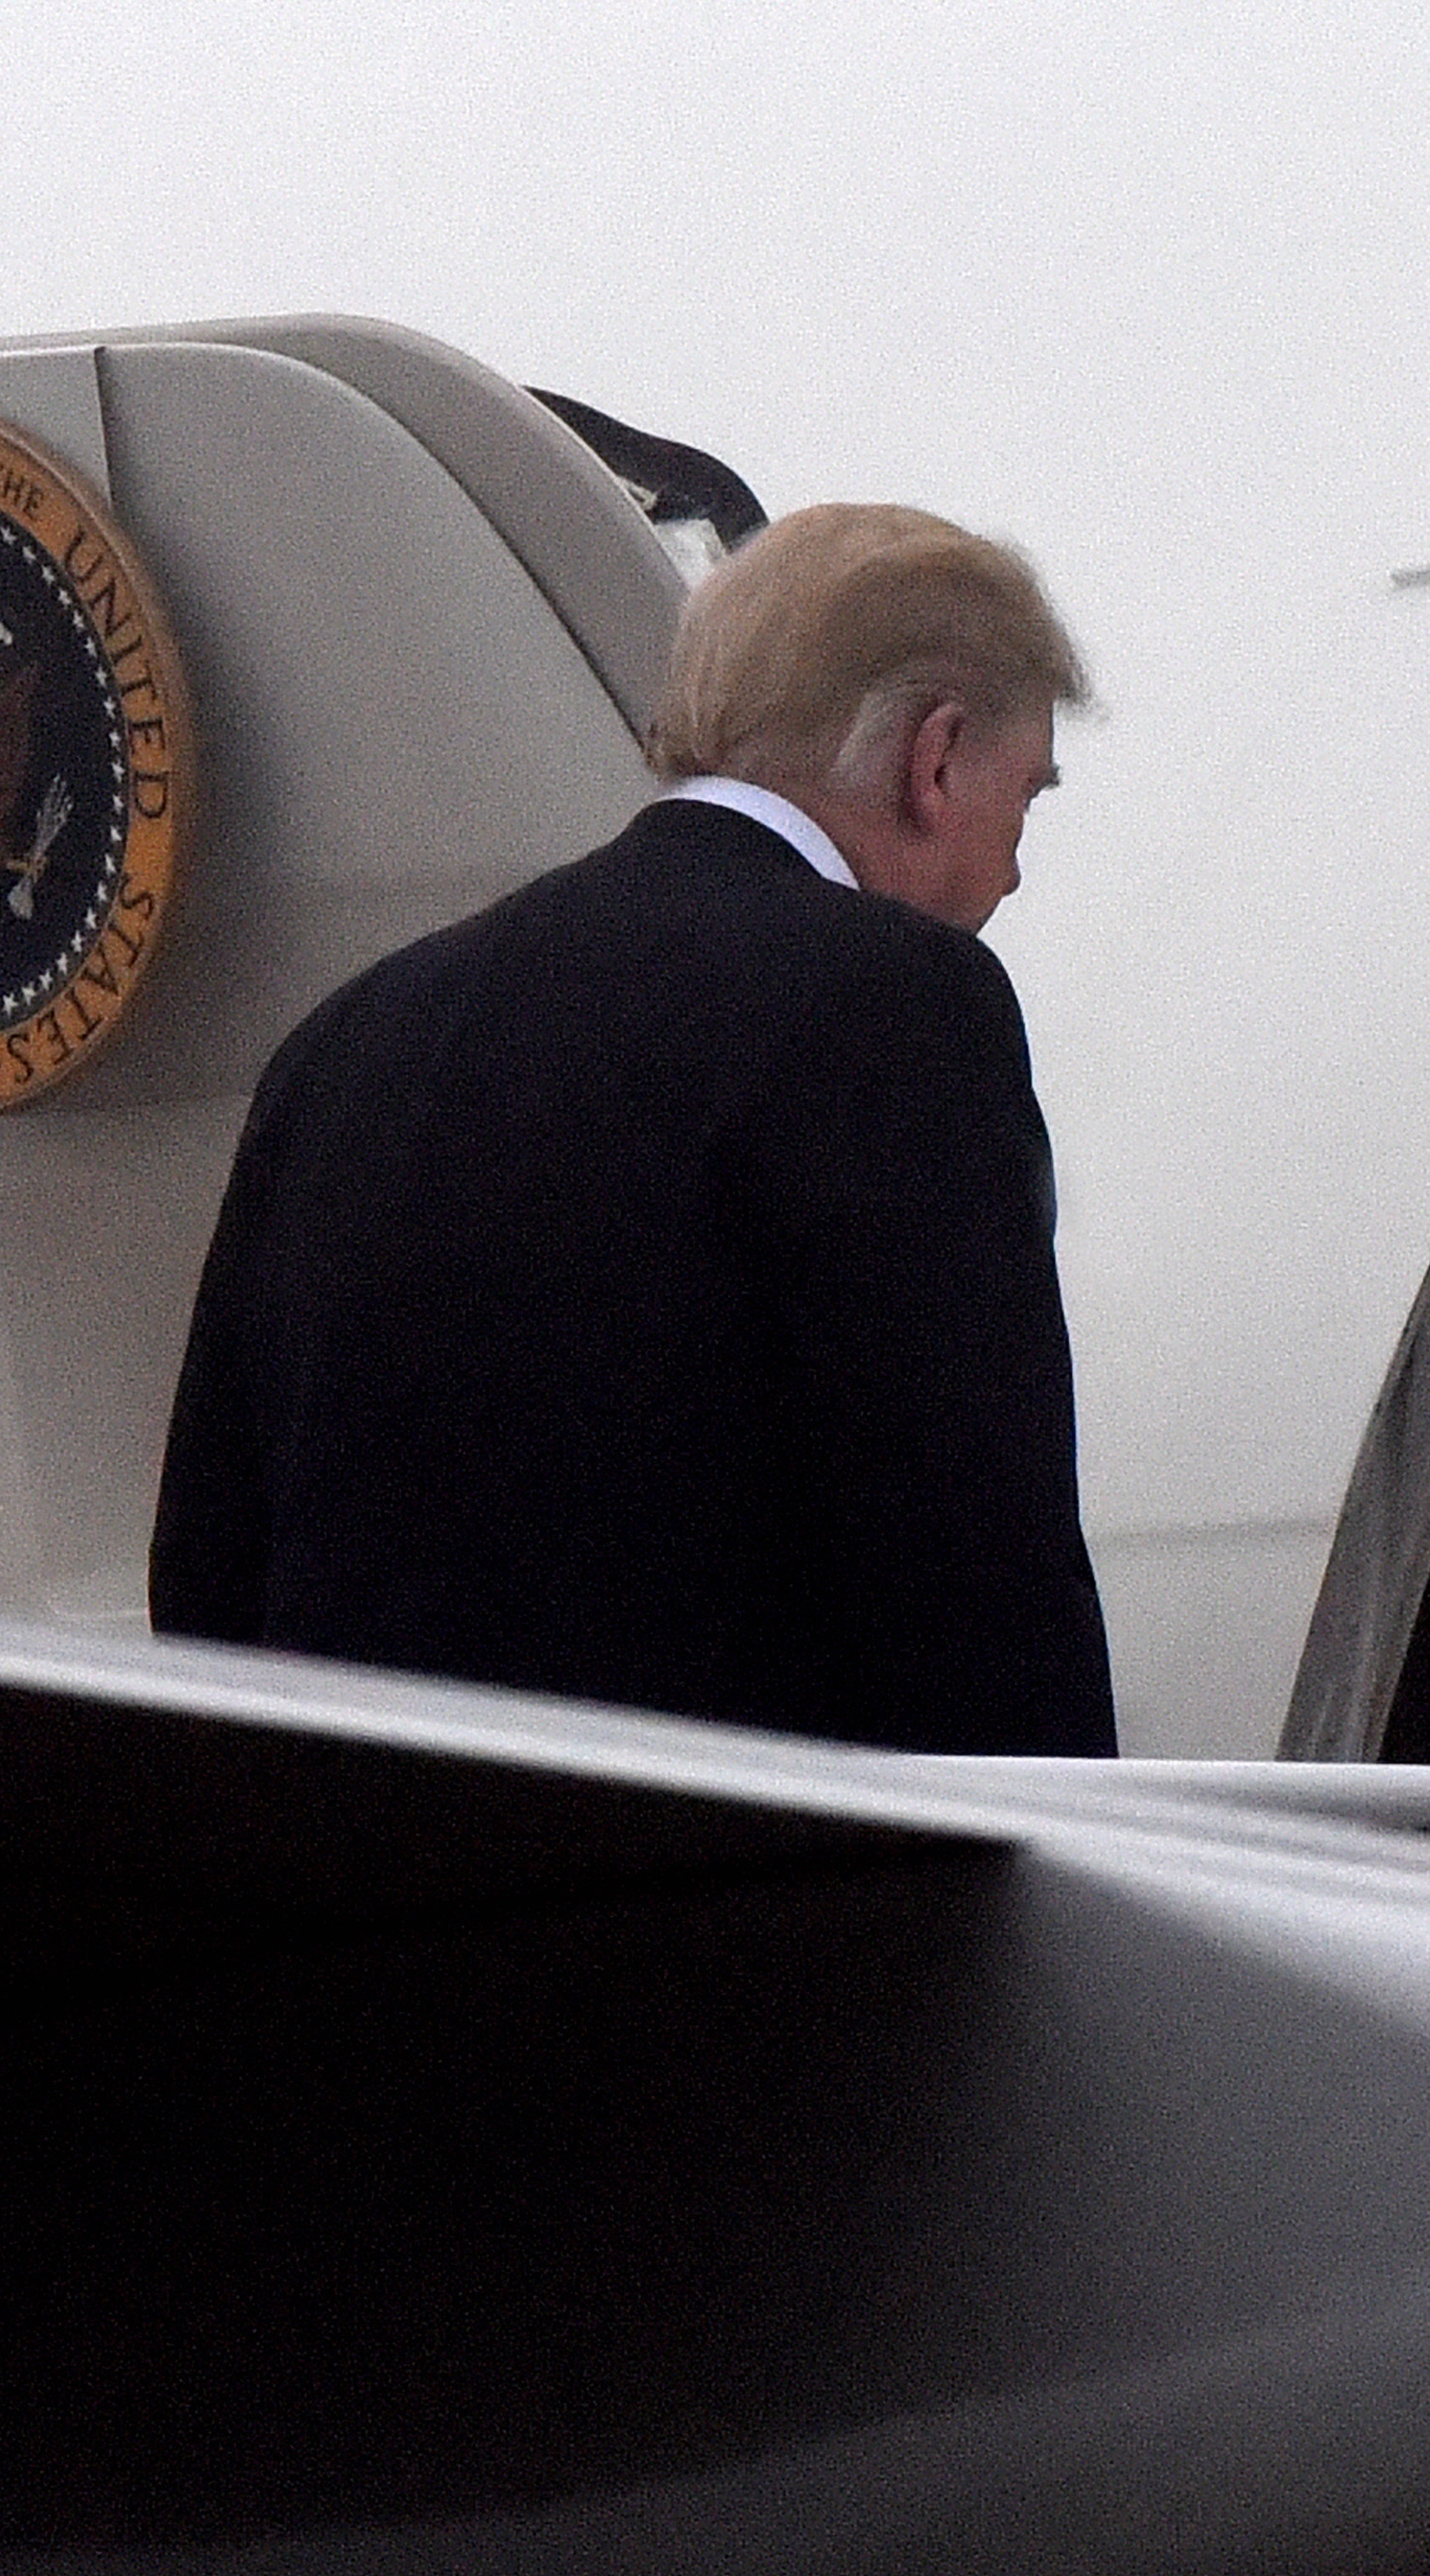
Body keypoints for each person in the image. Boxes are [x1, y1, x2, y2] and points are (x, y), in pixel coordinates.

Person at [148, 502, 1116, 1756]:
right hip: (733, 1867)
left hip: (363, 1858)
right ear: (934, 760)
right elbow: (977, 1575)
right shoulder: (898, 1007)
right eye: (1025, 800)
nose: (1013, 874)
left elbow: (208, 1580)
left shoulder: (349, 1042)